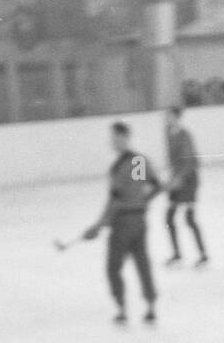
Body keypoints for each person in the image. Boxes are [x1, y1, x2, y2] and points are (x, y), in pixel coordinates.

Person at [83, 121, 162, 325]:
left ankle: (122, 309)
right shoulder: (139, 161)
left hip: (123, 224)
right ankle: (151, 306)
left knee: (113, 267)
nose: (111, 141)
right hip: (139, 221)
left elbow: (116, 201)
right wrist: (143, 202)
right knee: (142, 263)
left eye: (113, 137)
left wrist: (98, 226)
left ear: (122, 137)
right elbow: (154, 187)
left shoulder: (119, 166)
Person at [163, 107, 207, 268]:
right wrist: (172, 180)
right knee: (169, 217)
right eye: (167, 117)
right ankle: (177, 254)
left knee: (189, 219)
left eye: (170, 116)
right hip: (177, 180)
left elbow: (191, 161)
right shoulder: (169, 135)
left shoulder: (184, 135)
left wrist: (179, 178)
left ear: (177, 117)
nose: (168, 119)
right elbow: (174, 162)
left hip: (189, 181)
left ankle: (203, 255)